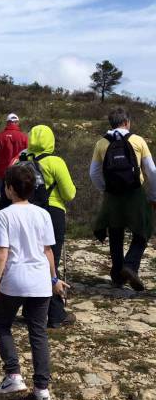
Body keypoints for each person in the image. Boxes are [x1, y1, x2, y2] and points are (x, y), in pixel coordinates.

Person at [0, 164, 69, 400]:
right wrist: (54, 279)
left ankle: (13, 375)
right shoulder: (43, 214)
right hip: (40, 281)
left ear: (9, 189)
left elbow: (2, 253)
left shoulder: (4, 215)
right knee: (38, 333)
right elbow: (48, 251)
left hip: (14, 279)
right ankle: (42, 389)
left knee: (2, 324)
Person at [90, 107, 156, 291]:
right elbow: (151, 171)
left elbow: (93, 173)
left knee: (116, 234)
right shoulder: (138, 140)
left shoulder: (101, 143)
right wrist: (153, 195)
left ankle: (118, 276)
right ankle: (130, 265)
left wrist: (106, 188)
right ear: (127, 122)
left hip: (112, 196)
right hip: (135, 193)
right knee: (143, 231)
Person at [19, 125, 76, 329]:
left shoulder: (22, 162)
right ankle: (56, 314)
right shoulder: (55, 162)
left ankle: (29, 309)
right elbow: (69, 193)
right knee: (50, 261)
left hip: (27, 213)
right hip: (52, 213)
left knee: (31, 259)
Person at [0, 113, 28, 209]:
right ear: (17, 123)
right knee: (19, 200)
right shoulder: (24, 137)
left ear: (7, 123)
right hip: (20, 175)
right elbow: (28, 156)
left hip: (3, 175)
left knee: (3, 201)